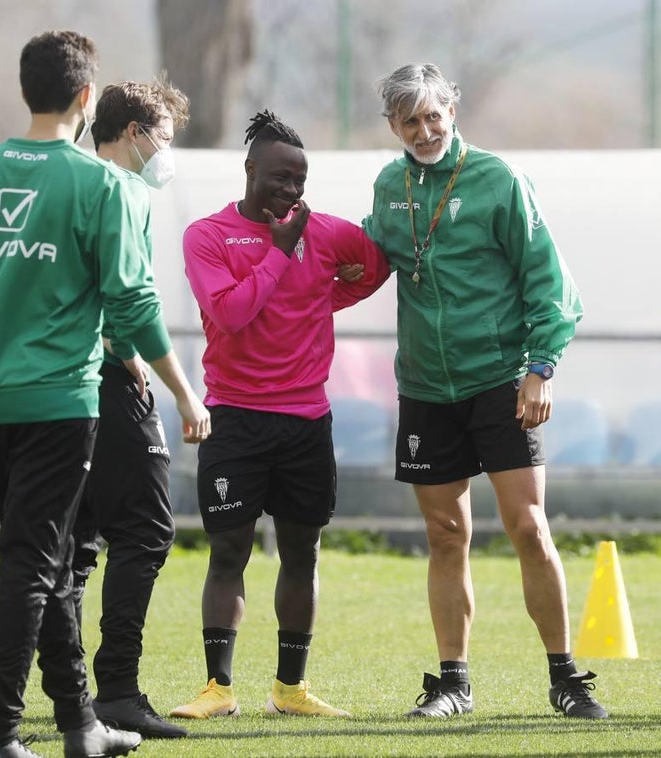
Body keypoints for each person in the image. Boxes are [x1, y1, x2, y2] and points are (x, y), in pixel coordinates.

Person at [0, 31, 210, 758]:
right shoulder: (101, 186)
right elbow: (133, 304)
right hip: (60, 401)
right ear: (86, 96)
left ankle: (81, 725)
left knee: (46, 560)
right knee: (32, 564)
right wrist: (185, 393)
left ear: (27, 90)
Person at [362, 63, 607, 720]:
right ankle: (453, 684)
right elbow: (365, 259)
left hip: (501, 381)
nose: (424, 131)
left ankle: (566, 678)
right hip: (424, 386)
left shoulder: (499, 179)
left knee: (528, 526)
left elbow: (549, 282)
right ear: (392, 126)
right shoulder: (388, 186)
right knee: (445, 534)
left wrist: (541, 367)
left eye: (432, 115)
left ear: (452, 110)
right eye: (409, 121)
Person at [170, 110, 389, 720]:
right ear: (249, 170)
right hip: (234, 418)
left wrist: (325, 292)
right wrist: (280, 254)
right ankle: (218, 689)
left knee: (302, 554)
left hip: (305, 422)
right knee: (228, 553)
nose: (291, 190)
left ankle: (290, 690)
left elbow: (377, 265)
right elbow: (232, 312)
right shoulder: (207, 236)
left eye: (300, 179)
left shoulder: (326, 232)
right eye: (279, 177)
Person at [67, 74, 197, 740]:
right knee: (146, 531)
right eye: (164, 138)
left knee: (74, 543)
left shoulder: (66, 184)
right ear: (133, 132)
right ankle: (116, 690)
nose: (166, 153)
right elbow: (131, 298)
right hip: (110, 379)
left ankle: (70, 696)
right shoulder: (122, 189)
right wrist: (178, 386)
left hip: (58, 384)